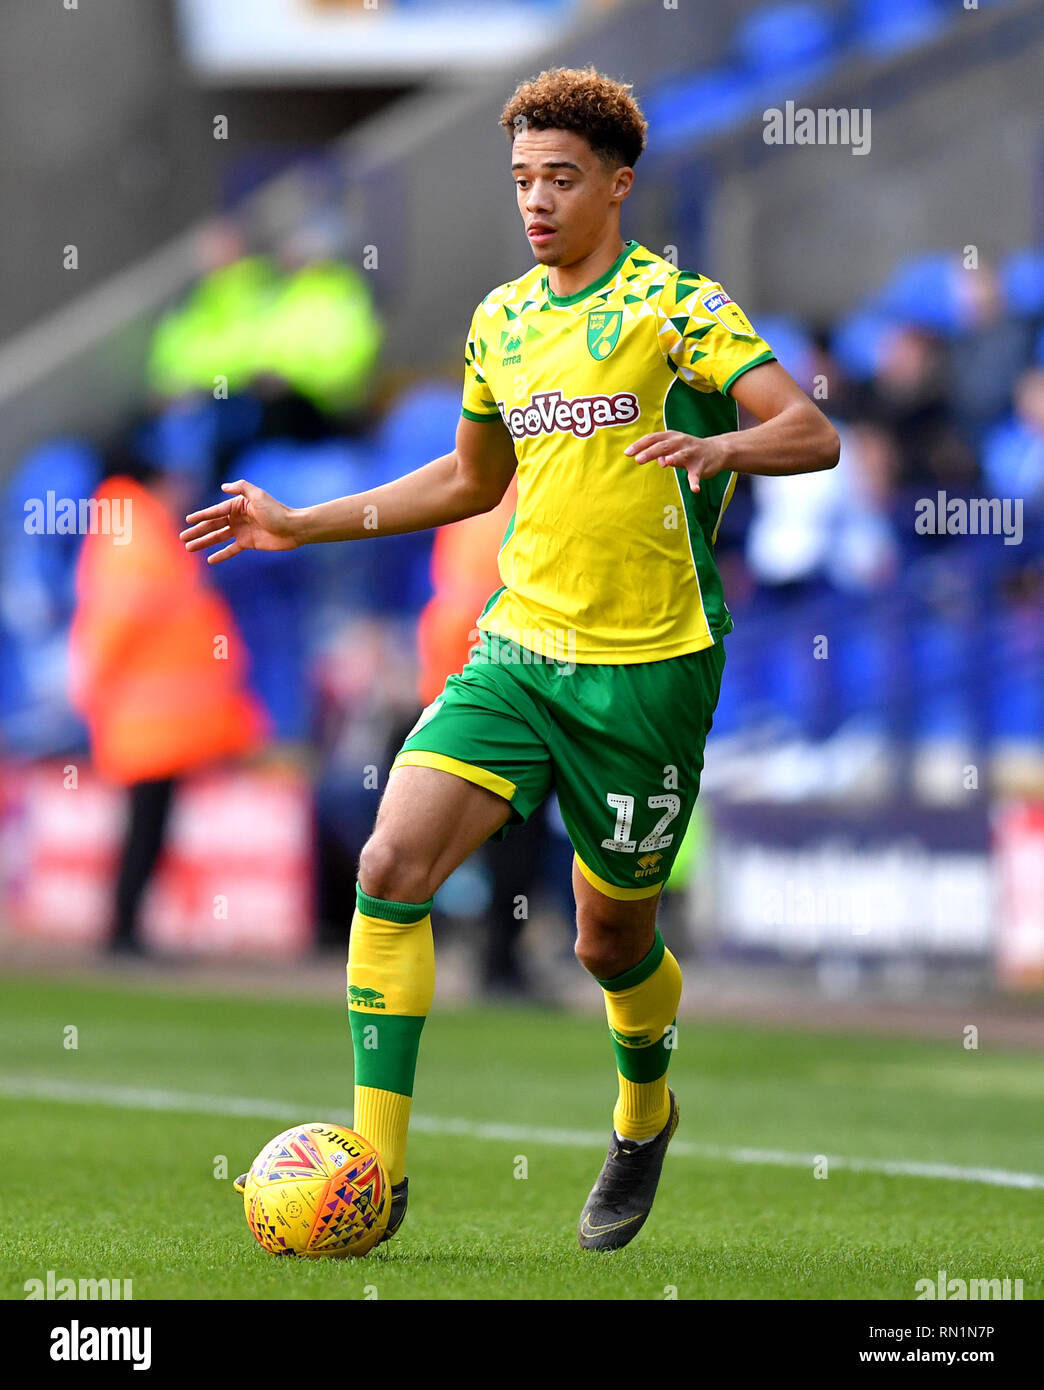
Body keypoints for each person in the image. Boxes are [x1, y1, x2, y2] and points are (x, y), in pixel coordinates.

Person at [181, 67, 839, 1251]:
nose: (536, 200)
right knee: (389, 861)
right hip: (519, 647)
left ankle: (645, 1114)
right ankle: (374, 1172)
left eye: (562, 179)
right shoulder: (502, 321)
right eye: (524, 179)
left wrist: (719, 441)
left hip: (650, 669)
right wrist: (301, 519)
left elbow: (813, 430)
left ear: (618, 184)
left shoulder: (678, 311)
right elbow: (470, 480)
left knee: (607, 942)